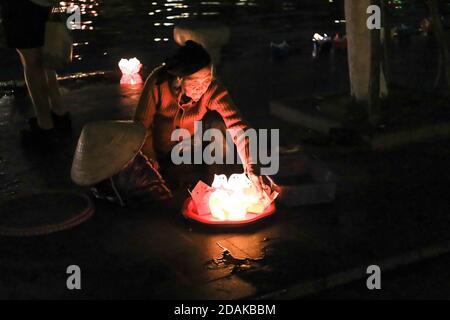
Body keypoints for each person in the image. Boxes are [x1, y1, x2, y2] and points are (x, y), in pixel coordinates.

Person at [134, 40, 266, 196]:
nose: (202, 88)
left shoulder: (212, 89)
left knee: (217, 123)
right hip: (162, 153)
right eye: (196, 82)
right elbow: (141, 127)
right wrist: (151, 162)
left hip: (194, 150)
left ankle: (220, 187)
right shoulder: (158, 83)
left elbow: (237, 125)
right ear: (179, 78)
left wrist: (251, 166)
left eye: (207, 80)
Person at [0, 0, 70, 147]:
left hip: (22, 6)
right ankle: (60, 113)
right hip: (44, 4)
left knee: (32, 63)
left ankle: (45, 127)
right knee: (46, 53)